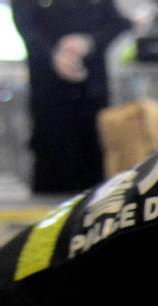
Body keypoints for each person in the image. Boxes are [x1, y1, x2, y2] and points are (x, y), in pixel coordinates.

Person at [11, 0, 130, 194]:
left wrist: (89, 42)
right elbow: (26, 26)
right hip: (47, 89)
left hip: (90, 90)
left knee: (91, 157)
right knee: (51, 153)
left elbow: (119, 22)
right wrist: (54, 55)